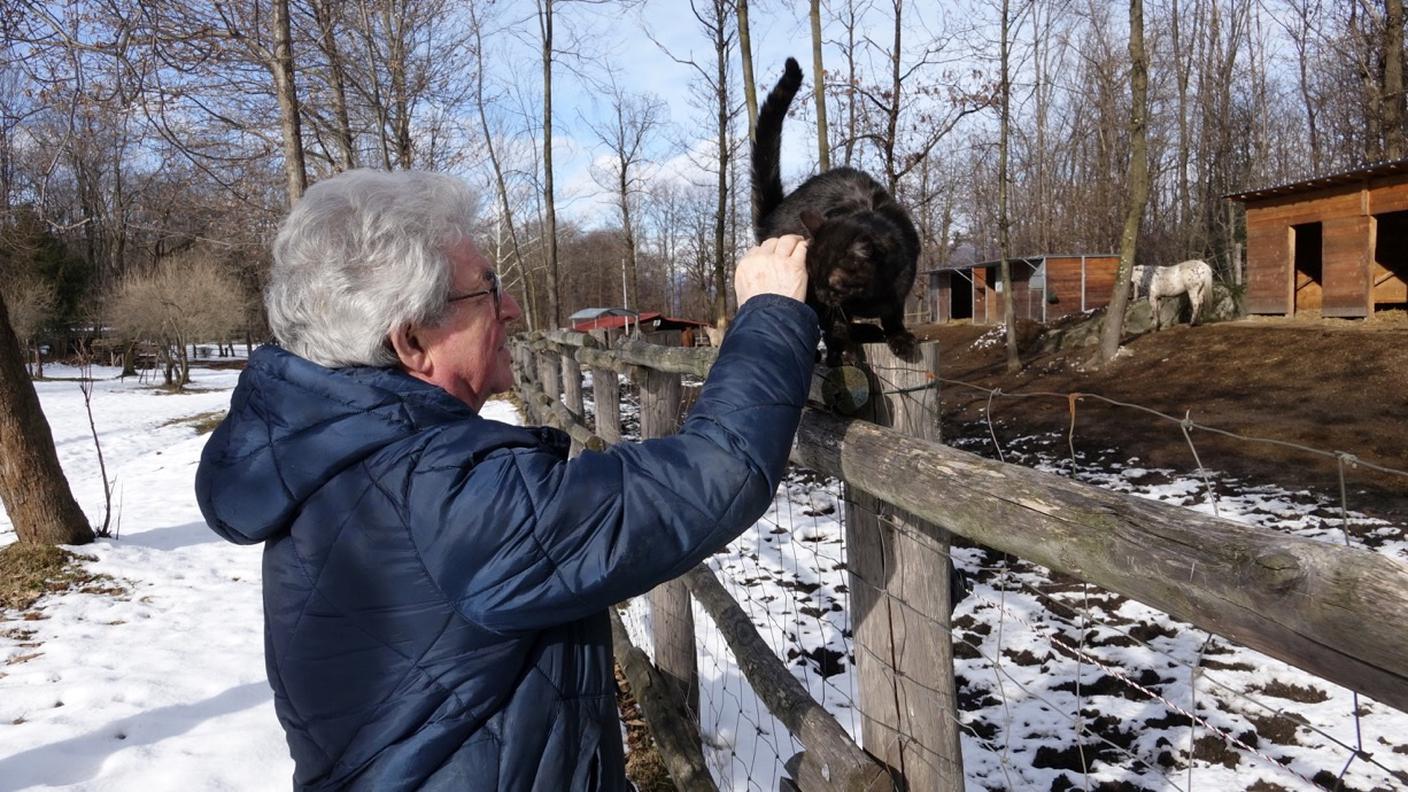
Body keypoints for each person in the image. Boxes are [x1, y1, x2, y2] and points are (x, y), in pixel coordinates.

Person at [194, 169, 817, 790]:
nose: (513, 308)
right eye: (488, 292)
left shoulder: (330, 454)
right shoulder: (446, 491)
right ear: (412, 340)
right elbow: (717, 471)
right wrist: (770, 312)